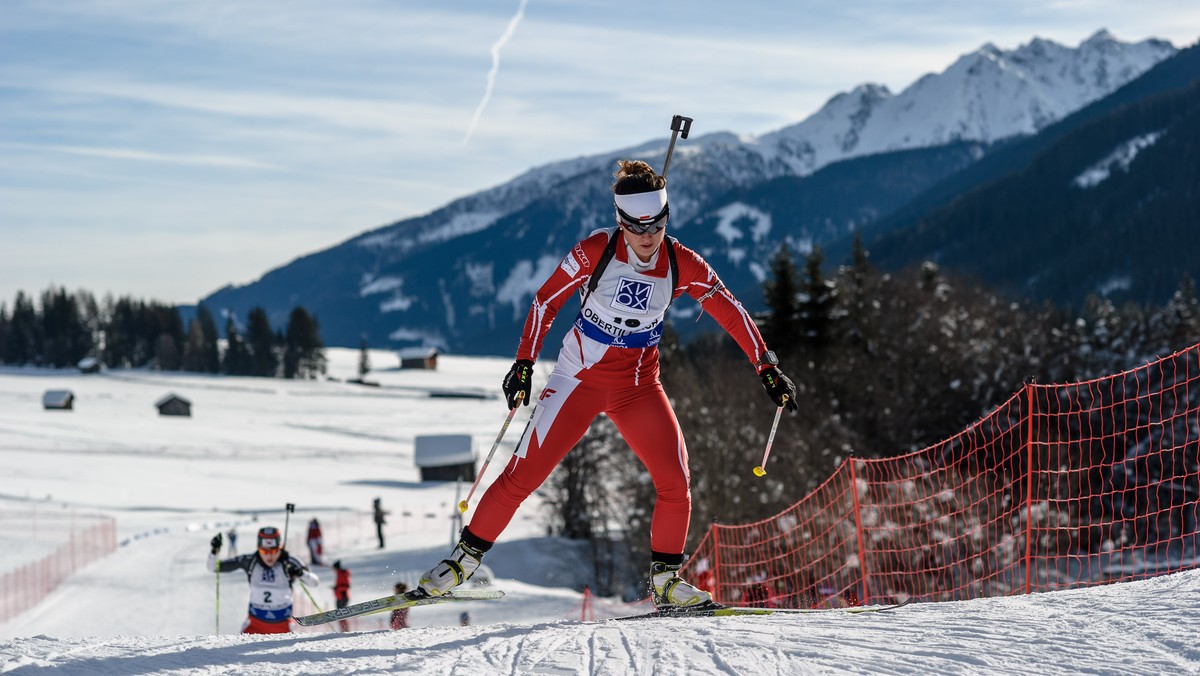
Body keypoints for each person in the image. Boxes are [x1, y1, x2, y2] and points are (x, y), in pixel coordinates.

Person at [416, 160, 797, 610]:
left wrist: (765, 366)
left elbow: (730, 309)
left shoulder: (680, 261)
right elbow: (546, 300)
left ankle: (666, 581)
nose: (647, 235)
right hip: (579, 379)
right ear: (621, 221)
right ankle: (462, 562)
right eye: (637, 226)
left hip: (638, 386)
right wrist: (523, 362)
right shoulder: (595, 251)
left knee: (675, 480)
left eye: (656, 223)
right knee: (524, 476)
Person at [207, 526, 319, 634]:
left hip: (283, 625)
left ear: (281, 548)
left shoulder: (290, 562)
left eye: (274, 551)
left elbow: (314, 582)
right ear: (258, 548)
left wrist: (300, 573)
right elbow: (213, 567)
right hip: (255, 625)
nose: (269, 556)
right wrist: (214, 552)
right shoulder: (250, 561)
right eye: (264, 551)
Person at [332, 560, 351, 632]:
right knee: (340, 614)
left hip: (343, 597)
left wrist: (337, 588)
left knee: (342, 614)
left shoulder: (342, 573)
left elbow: (347, 585)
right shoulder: (339, 573)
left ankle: (345, 629)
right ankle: (343, 629)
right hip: (339, 597)